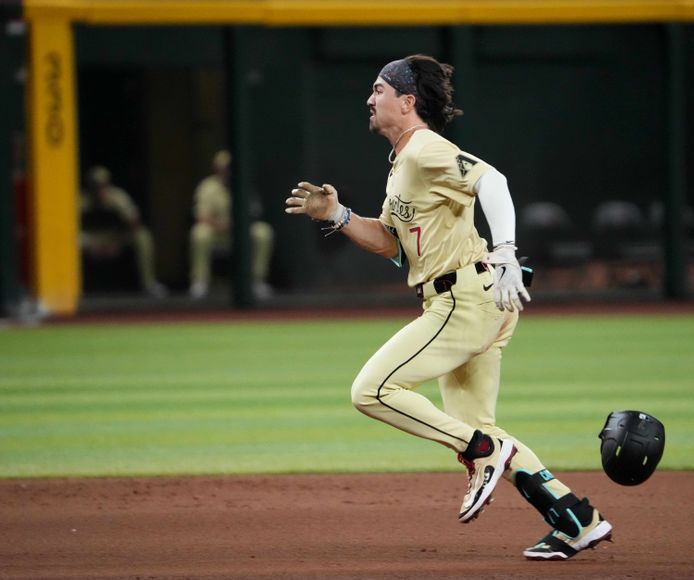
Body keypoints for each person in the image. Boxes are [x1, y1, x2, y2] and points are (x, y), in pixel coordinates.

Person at [285, 54, 612, 561]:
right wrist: (339, 214)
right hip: (475, 297)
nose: (370, 99)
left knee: (372, 390)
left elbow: (493, 181)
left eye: (379, 90)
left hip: (462, 299)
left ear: (407, 101)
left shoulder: (424, 150)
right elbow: (392, 244)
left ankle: (481, 453)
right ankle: (576, 519)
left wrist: (506, 249)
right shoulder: (404, 163)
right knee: (480, 425)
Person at [189, 150, 275, 299]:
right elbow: (201, 216)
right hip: (216, 232)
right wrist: (219, 224)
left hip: (240, 232)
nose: (227, 171)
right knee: (200, 233)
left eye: (230, 168)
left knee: (263, 231)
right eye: (224, 168)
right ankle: (200, 281)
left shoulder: (243, 185)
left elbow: (254, 213)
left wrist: (239, 223)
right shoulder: (207, 186)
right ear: (217, 168)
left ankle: (256, 281)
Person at [80, 166, 168, 298]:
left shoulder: (118, 197)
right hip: (92, 239)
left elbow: (135, 224)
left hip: (115, 238)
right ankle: (71, 287)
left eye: (103, 185)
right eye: (95, 185)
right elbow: (67, 229)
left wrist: (118, 243)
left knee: (142, 236)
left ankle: (148, 283)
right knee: (73, 241)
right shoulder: (81, 200)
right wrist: (93, 246)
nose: (99, 189)